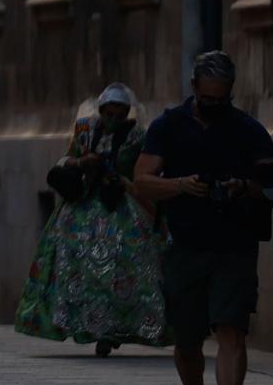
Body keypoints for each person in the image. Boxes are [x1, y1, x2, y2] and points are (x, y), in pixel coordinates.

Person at [133, 52, 273, 385]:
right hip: (184, 245)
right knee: (186, 342)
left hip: (235, 244)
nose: (214, 106)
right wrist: (181, 185)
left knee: (231, 329)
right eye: (208, 98)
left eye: (222, 99)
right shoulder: (168, 127)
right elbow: (143, 182)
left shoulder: (247, 130)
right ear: (194, 88)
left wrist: (244, 187)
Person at [15, 83, 170, 355]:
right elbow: (67, 159)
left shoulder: (137, 137)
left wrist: (123, 181)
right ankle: (86, 324)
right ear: (100, 111)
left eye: (119, 114)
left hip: (122, 207)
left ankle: (115, 328)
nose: (113, 120)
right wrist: (82, 163)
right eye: (108, 113)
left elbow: (142, 171)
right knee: (73, 263)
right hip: (82, 206)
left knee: (126, 266)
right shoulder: (85, 131)